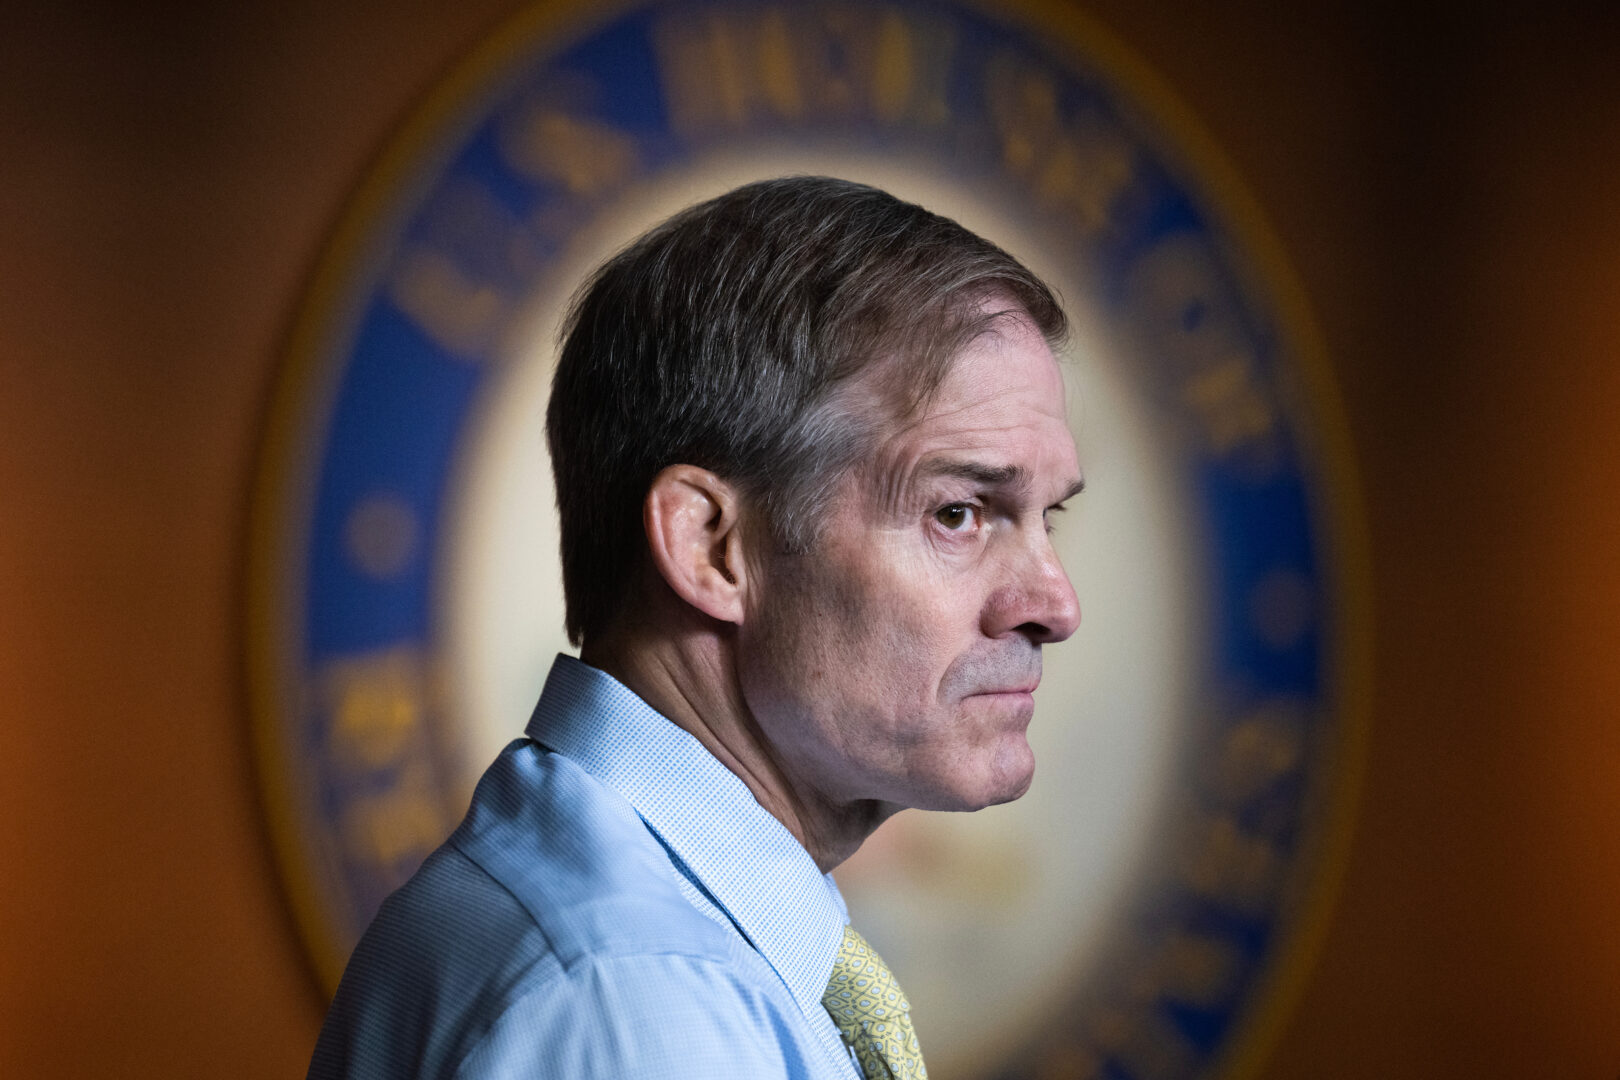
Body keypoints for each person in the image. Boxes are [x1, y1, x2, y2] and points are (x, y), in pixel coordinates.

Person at [307, 176, 1083, 1080]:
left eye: (1048, 518)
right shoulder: (639, 1005)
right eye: (959, 513)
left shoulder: (620, 934)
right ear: (710, 546)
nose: (1055, 605)